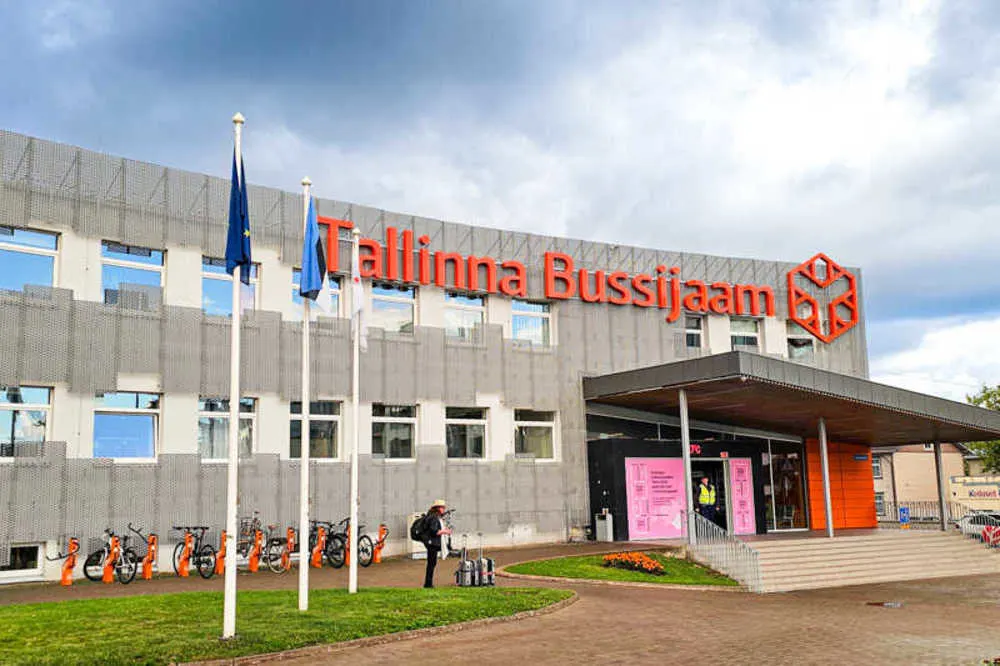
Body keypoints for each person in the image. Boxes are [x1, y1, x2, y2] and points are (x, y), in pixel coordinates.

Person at [422, 499, 452, 588]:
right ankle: (428, 583)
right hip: (432, 543)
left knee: (431, 563)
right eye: (442, 507)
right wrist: (445, 532)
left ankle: (428, 583)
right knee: (431, 564)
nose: (443, 509)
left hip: (430, 543)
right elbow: (434, 531)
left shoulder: (431, 516)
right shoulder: (434, 517)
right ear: (438, 508)